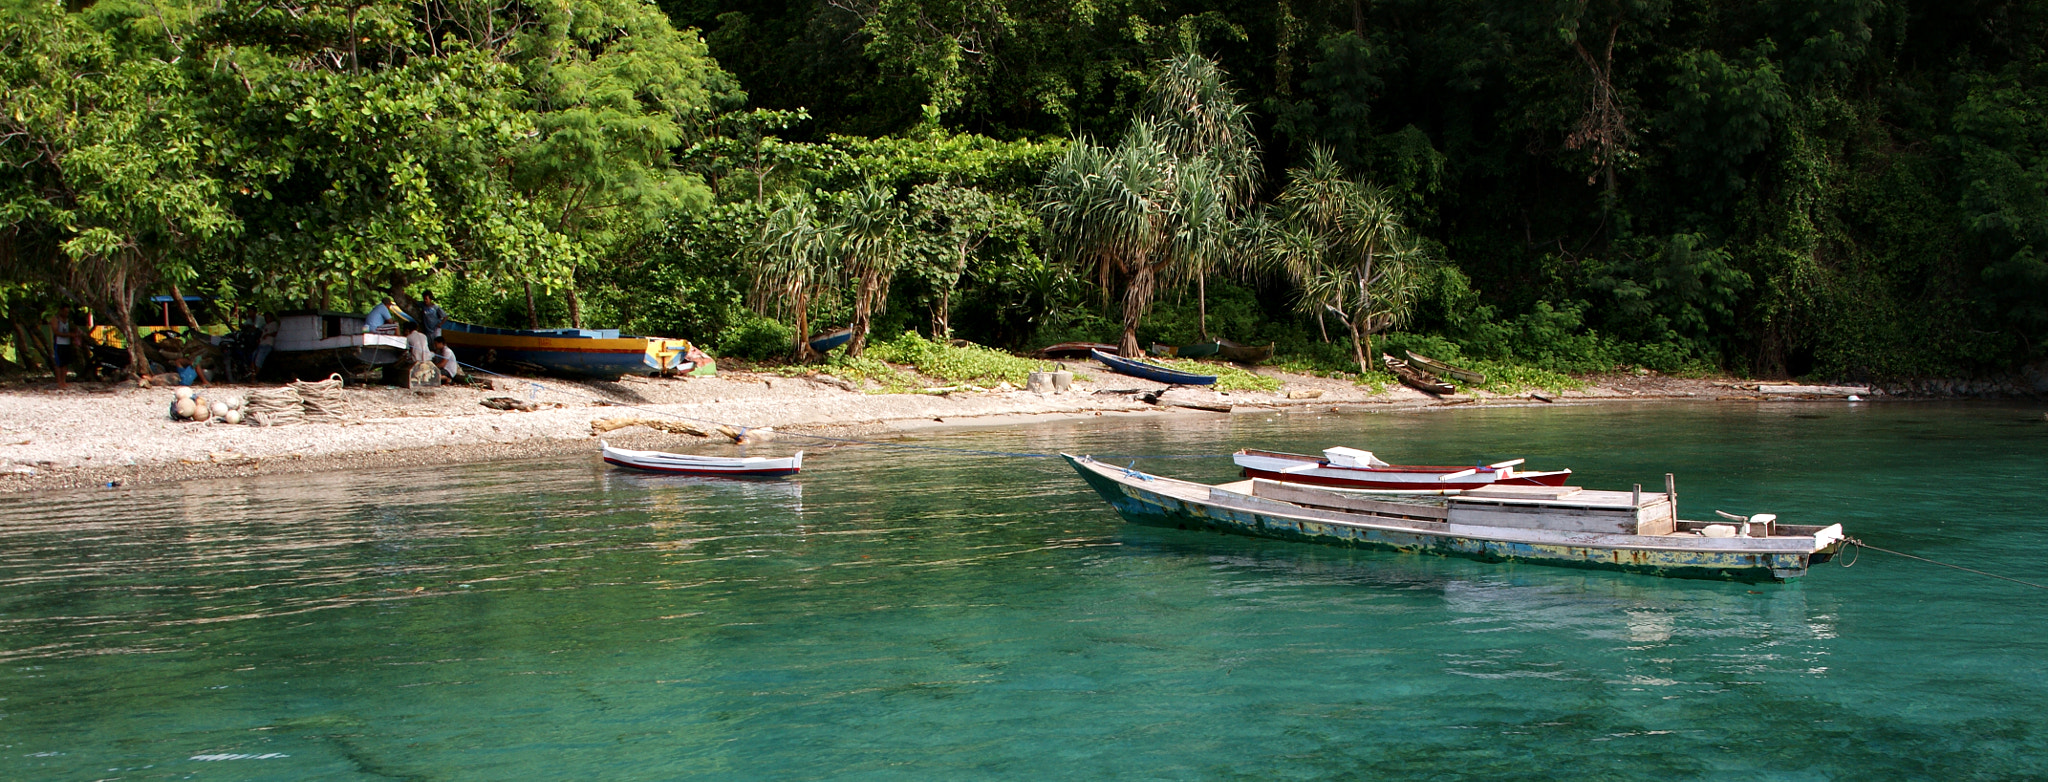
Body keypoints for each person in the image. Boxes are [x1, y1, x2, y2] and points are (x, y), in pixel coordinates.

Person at [48, 307, 88, 389]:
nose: (66, 314)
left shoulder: (68, 320)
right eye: (65, 312)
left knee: (65, 363)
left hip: (67, 343)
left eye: (67, 312)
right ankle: (59, 382)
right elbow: (56, 332)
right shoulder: (55, 319)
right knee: (59, 363)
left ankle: (64, 381)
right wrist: (68, 335)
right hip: (59, 343)